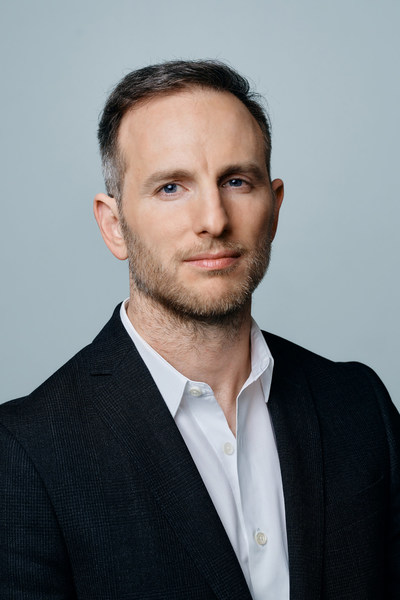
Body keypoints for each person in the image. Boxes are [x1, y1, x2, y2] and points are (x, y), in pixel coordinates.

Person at [0, 60, 399, 600]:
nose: (214, 219)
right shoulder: (27, 452)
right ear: (114, 226)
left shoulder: (360, 406)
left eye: (236, 182)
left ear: (274, 209)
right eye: (171, 187)